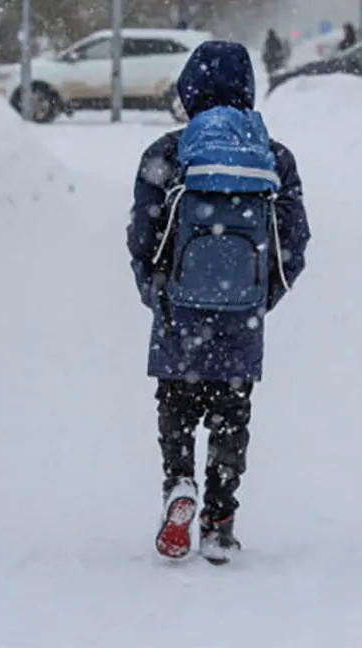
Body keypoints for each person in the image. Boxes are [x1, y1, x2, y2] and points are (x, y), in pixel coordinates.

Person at [126, 41, 311, 564]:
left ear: (190, 91)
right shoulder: (274, 157)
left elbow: (141, 232)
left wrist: (154, 290)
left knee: (177, 407)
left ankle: (179, 485)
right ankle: (219, 522)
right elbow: (294, 240)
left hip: (178, 308)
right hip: (242, 309)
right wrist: (262, 296)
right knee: (232, 414)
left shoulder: (168, 152)